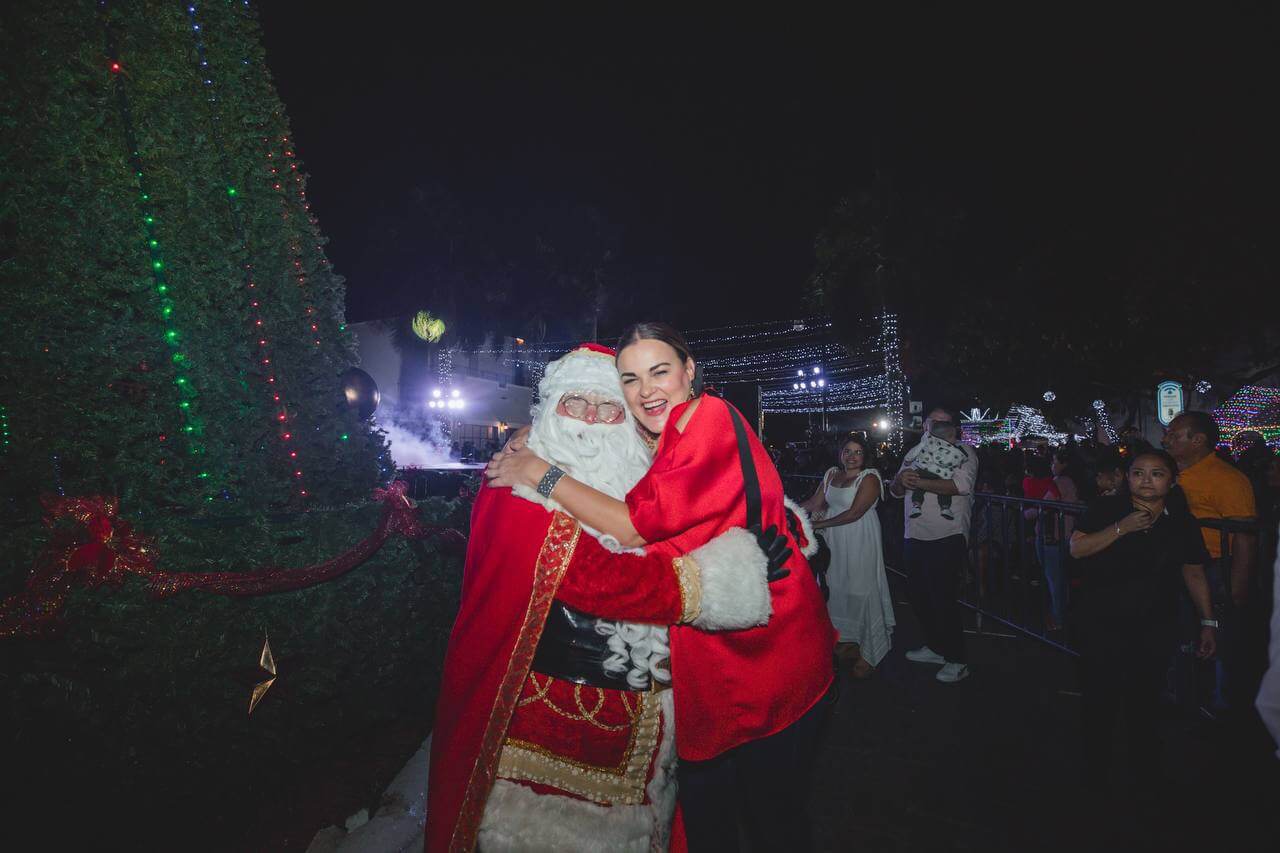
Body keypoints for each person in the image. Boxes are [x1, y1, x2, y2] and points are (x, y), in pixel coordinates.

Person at [426, 344, 791, 852]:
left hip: (644, 725)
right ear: (551, 408)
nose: (591, 420)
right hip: (547, 716)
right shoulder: (514, 483)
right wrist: (726, 580)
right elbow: (597, 579)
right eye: (574, 403)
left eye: (607, 407)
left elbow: (699, 494)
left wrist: (766, 525)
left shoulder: (639, 470)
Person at [1069, 449, 1216, 792]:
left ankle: (1146, 770)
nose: (1147, 480)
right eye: (1139, 473)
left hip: (1154, 624)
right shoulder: (1106, 509)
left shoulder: (1180, 521)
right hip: (1100, 623)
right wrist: (1122, 528)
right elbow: (1077, 548)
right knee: (1099, 700)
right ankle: (1096, 771)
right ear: (1127, 477)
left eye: (1156, 473)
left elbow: (1193, 571)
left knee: (1146, 701)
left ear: (1172, 479)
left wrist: (1209, 622)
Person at [1163, 411, 1258, 712]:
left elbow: (1245, 537)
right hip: (1179, 567)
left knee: (1218, 635)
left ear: (1198, 440)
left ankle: (1222, 704)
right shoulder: (1170, 473)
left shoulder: (1228, 479)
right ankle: (1183, 693)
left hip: (1215, 569)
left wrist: (1238, 585)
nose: (1167, 438)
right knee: (1182, 633)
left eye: (1175, 434)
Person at [889, 407, 979, 683]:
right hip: (914, 533)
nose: (939, 425)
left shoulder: (964, 451)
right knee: (918, 596)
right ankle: (936, 647)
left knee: (943, 599)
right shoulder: (915, 451)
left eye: (945, 421)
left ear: (953, 426)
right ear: (925, 425)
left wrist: (921, 482)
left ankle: (957, 659)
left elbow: (960, 486)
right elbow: (895, 490)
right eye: (934, 421)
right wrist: (900, 480)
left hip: (948, 534)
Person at [802, 435, 895, 678]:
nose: (851, 456)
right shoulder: (832, 474)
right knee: (838, 588)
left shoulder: (870, 478)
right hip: (835, 540)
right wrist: (786, 509)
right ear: (840, 454)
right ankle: (849, 640)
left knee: (861, 589)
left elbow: (854, 513)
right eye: (847, 451)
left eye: (857, 452)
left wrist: (820, 525)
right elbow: (815, 502)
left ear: (865, 456)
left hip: (858, 537)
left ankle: (871, 652)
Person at [907, 420, 967, 520]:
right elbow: (953, 460)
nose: (955, 439)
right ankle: (945, 508)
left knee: (919, 489)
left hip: (923, 470)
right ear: (947, 438)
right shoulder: (953, 449)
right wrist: (961, 459)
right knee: (943, 491)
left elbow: (914, 451)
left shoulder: (926, 442)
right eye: (953, 437)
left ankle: (916, 506)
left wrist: (908, 459)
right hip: (941, 474)